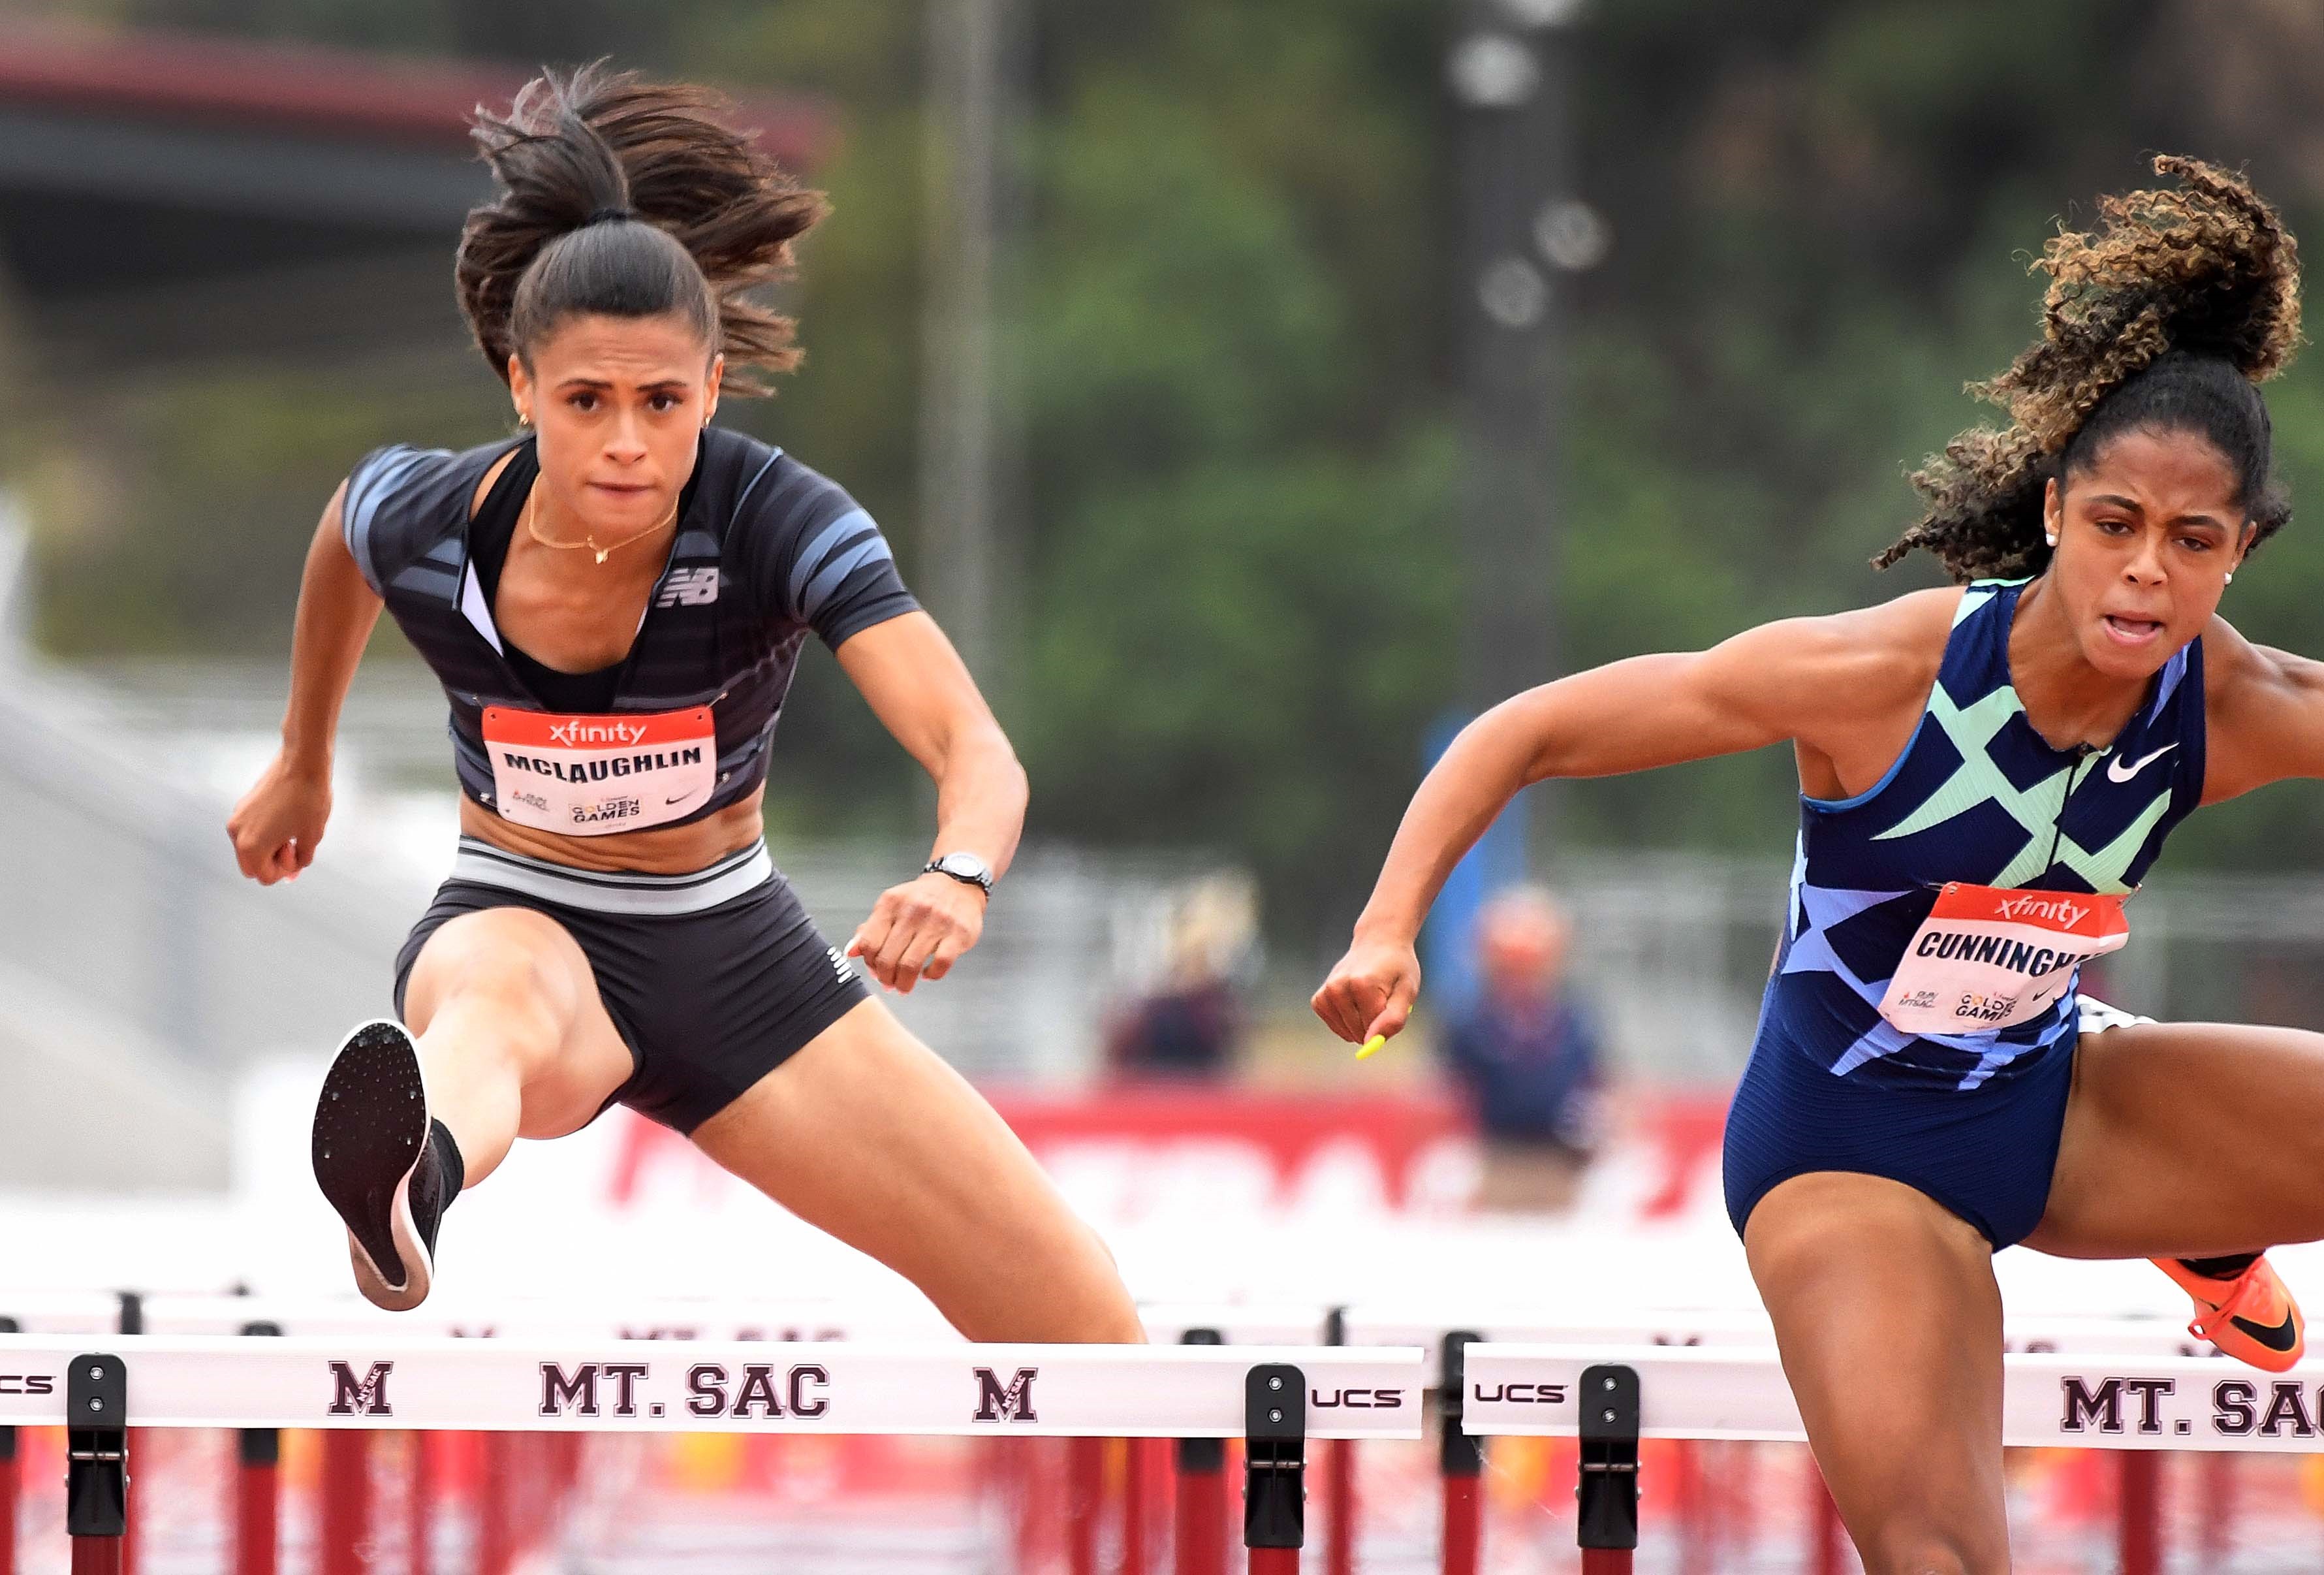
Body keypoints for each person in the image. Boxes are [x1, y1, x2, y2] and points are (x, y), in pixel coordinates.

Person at [1313, 157, 2320, 1572]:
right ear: (2052, 517)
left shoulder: (2240, 708)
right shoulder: (1878, 678)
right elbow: (1525, 731)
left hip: (2055, 1101)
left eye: (2191, 541)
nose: (2145, 573)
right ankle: (2201, 1218)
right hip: (1851, 1152)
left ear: (2238, 556)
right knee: (1944, 1556)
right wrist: (1386, 927)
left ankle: (2204, 1223)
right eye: (2113, 527)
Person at [225, 65, 1140, 1346]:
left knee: (1078, 1320)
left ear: (710, 391)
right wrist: (301, 758)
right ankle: (413, 1177)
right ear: (518, 387)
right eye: (585, 402)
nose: (625, 448)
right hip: (521, 910)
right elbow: (344, 539)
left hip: (736, 963)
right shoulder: (429, 515)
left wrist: (960, 871)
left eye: (662, 405)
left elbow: (968, 743)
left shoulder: (776, 520)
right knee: (490, 1006)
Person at [1439, 887, 1603, 1213]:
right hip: (1495, 1162)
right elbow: (1445, 1096)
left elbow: (1598, 1085)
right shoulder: (1473, 1024)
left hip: (1560, 1166)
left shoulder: (1573, 1022)